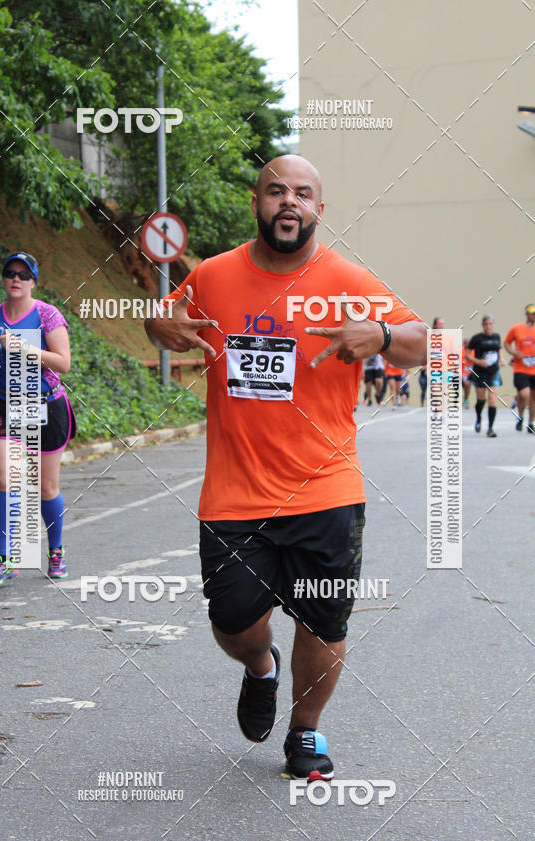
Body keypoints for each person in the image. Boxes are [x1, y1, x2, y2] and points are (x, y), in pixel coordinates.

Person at [145, 155, 426, 781]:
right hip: (234, 495)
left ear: (319, 211)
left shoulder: (350, 280)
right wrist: (157, 324)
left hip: (326, 489)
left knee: (324, 622)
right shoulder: (215, 276)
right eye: (277, 191)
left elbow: (420, 340)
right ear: (257, 203)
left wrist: (379, 334)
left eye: (302, 194)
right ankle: (259, 668)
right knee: (233, 622)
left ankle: (306, 732)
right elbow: (164, 321)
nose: (289, 202)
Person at [0, 251, 76, 587]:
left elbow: (63, 363)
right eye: (10, 273)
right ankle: (7, 559)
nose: (15, 279)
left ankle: (56, 551)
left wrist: (23, 348)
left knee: (45, 486)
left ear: (33, 281)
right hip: (4, 404)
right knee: (6, 478)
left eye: (23, 274)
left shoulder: (47, 315)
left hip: (44, 404)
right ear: (4, 278)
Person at [466, 315, 504, 437]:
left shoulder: (496, 336)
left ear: (493, 324)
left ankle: (490, 429)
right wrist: (479, 362)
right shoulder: (476, 338)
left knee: (492, 399)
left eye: (490, 323)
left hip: (494, 372)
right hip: (480, 372)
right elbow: (467, 355)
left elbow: (499, 349)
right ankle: (478, 418)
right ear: (482, 325)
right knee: (481, 400)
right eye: (486, 324)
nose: (488, 326)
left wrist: (502, 359)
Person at [503, 304, 535, 434]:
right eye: (532, 313)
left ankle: (531, 423)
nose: (534, 316)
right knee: (524, 394)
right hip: (520, 368)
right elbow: (506, 342)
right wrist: (514, 353)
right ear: (526, 314)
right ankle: (520, 416)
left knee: (533, 398)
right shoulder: (517, 328)